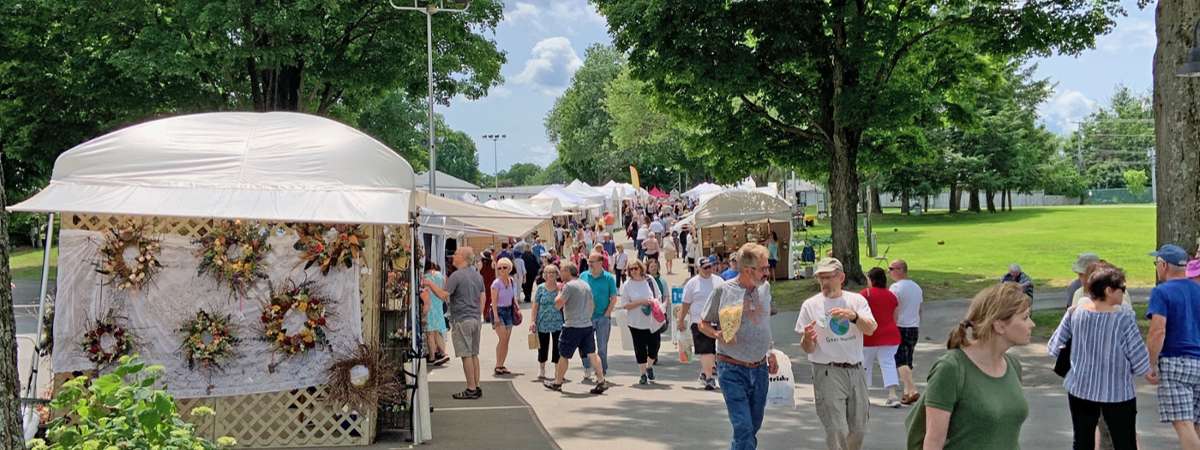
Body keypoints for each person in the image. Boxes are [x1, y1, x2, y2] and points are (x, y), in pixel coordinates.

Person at [905, 282, 1033, 450]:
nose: (1032, 324)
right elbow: (933, 442)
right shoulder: (951, 368)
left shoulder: (1013, 366)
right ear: (999, 325)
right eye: (1025, 317)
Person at [1048, 266, 1149, 450]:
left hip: (1080, 388)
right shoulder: (1123, 318)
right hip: (1117, 391)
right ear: (1108, 290)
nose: (1124, 293)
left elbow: (1054, 346)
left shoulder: (1075, 312)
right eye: (1122, 289)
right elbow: (1141, 362)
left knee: (1082, 441)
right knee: (1125, 442)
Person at [697, 243, 776, 449]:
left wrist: (771, 351)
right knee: (743, 427)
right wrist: (717, 334)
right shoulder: (724, 290)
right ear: (748, 270)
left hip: (759, 368)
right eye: (763, 268)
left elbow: (765, 323)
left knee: (753, 426)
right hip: (731, 367)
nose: (768, 272)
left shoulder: (765, 289)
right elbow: (702, 324)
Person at [797, 258, 878, 450]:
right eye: (820, 278)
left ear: (841, 277)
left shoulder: (856, 301)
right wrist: (808, 338)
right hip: (828, 371)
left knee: (859, 428)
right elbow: (808, 348)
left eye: (829, 277)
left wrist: (854, 317)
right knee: (837, 429)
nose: (824, 282)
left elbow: (871, 329)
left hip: (856, 370)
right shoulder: (811, 305)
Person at [1145, 244, 1200, 448]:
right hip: (1198, 359)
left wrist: (1151, 364)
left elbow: (1158, 331)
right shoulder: (1197, 289)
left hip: (1176, 362)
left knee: (1183, 423)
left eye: (1156, 263)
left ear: (1164, 265)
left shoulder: (1162, 291)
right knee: (1196, 424)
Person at [423, 247, 486, 400]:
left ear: (463, 258)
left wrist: (430, 284)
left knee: (466, 355)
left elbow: (444, 295)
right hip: (475, 319)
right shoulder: (477, 275)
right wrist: (479, 314)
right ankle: (476, 386)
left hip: (462, 319)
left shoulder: (456, 276)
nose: (453, 256)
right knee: (473, 354)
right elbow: (483, 295)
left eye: (456, 253)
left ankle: (471, 388)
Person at [543, 262, 610, 395]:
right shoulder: (585, 285)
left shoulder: (568, 286)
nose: (560, 274)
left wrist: (559, 291)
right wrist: (587, 318)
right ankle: (601, 380)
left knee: (564, 355)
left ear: (568, 271)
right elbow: (592, 305)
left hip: (572, 326)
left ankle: (557, 382)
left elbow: (557, 304)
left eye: (562, 271)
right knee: (592, 353)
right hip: (586, 325)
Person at [619, 259, 666, 384]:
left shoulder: (649, 280)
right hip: (635, 322)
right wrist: (641, 302)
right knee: (639, 348)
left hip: (652, 321)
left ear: (641, 268)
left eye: (636, 268)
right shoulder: (627, 285)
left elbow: (658, 296)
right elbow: (625, 304)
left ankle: (649, 366)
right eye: (631, 269)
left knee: (654, 347)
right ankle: (643, 374)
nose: (633, 271)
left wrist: (654, 303)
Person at [861, 267, 903, 408]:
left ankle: (864, 395)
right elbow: (895, 317)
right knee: (888, 363)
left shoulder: (864, 294)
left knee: (865, 364)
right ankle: (892, 394)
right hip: (890, 334)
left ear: (871, 280)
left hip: (869, 336)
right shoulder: (891, 295)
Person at [679, 255, 720, 390]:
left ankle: (704, 372)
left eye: (710, 266)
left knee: (713, 351)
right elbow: (685, 304)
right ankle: (709, 378)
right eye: (705, 268)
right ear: (698, 269)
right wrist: (681, 320)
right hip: (699, 322)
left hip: (716, 321)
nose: (709, 269)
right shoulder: (692, 283)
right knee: (706, 350)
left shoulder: (719, 281)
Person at [888, 259, 924, 405]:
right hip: (914, 327)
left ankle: (912, 389)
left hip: (900, 326)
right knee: (908, 360)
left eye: (891, 268)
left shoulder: (895, 288)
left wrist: (892, 325)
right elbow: (919, 309)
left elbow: (894, 308)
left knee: (900, 360)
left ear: (900, 270)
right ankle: (907, 392)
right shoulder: (916, 287)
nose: (889, 271)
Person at [579, 252, 619, 380]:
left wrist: (607, 314)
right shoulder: (583, 276)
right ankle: (586, 367)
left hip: (602, 317)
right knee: (585, 345)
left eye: (592, 261)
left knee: (602, 347)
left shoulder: (608, 278)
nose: (589, 264)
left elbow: (613, 298)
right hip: (586, 318)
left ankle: (601, 372)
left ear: (600, 262)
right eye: (589, 261)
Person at [530, 264, 565, 380]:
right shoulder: (540, 288)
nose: (550, 275)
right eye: (548, 272)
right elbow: (535, 306)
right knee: (543, 347)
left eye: (553, 272)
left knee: (558, 347)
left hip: (558, 322)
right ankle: (542, 369)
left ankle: (557, 372)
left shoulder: (561, 287)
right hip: (542, 322)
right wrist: (532, 321)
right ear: (544, 275)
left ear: (557, 275)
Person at [490, 258, 518, 376]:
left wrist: (517, 307)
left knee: (506, 341)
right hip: (499, 311)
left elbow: (513, 297)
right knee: (503, 339)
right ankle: (498, 365)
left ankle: (501, 364)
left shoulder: (511, 281)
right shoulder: (496, 283)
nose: (501, 270)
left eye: (504, 267)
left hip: (509, 311)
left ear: (509, 268)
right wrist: (496, 316)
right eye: (499, 268)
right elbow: (494, 301)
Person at [421, 263, 451, 366]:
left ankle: (432, 357)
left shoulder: (425, 277)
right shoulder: (440, 276)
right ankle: (443, 353)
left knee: (430, 333)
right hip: (439, 305)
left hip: (429, 306)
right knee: (438, 331)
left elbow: (424, 292)